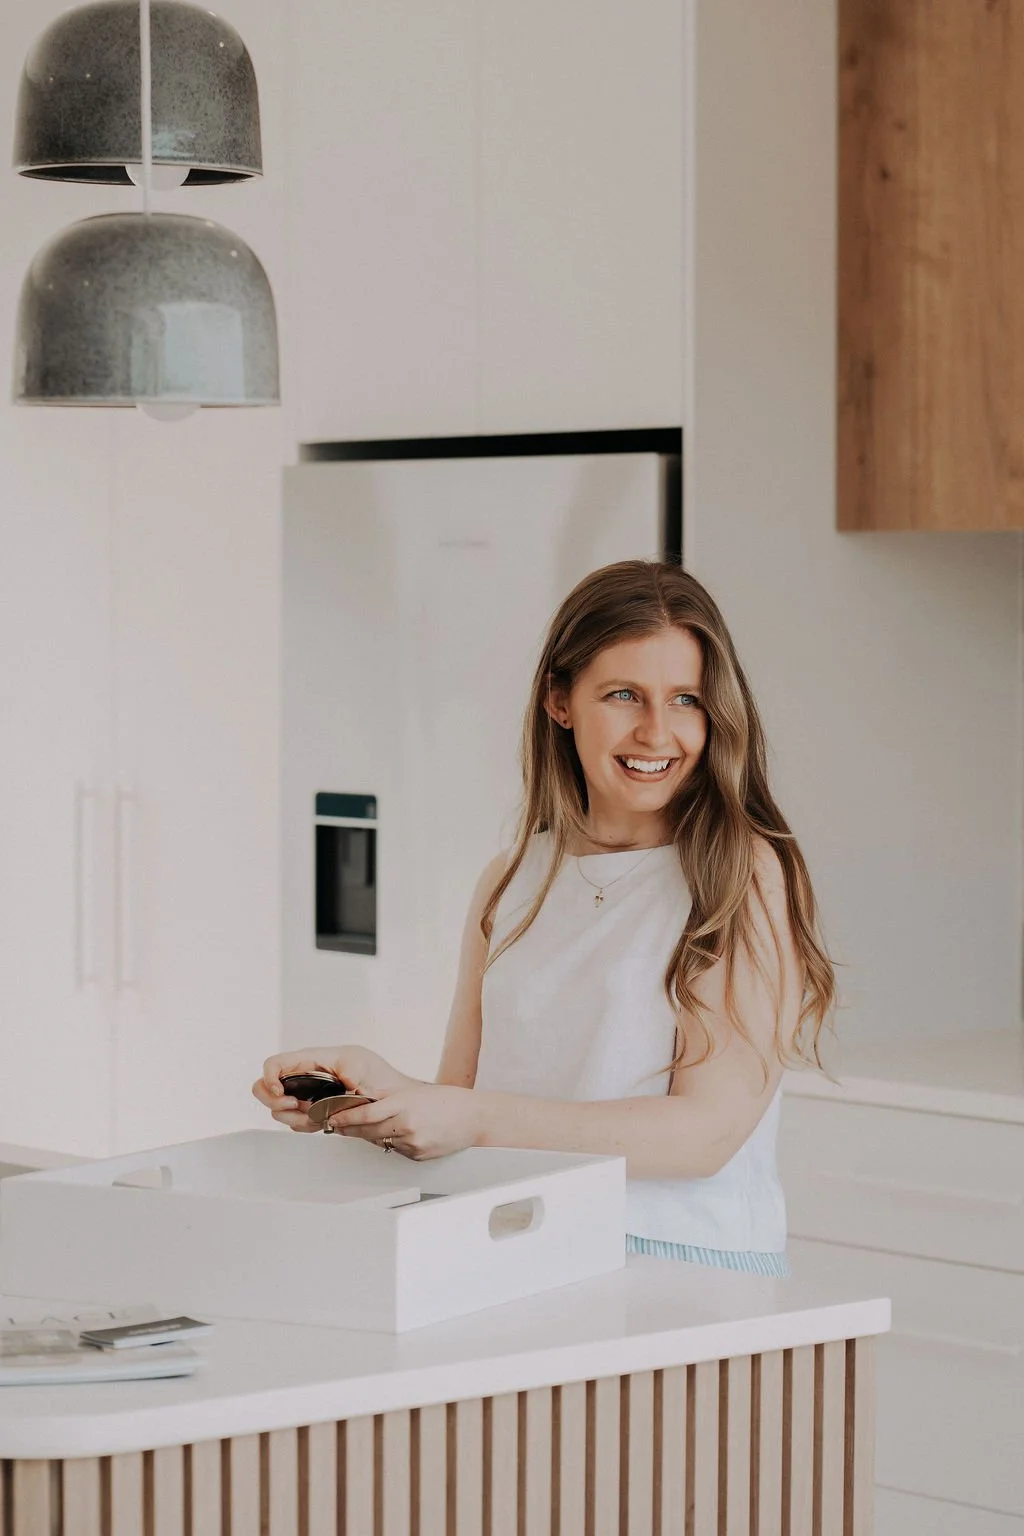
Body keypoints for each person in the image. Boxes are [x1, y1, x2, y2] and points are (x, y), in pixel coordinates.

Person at [254, 560, 836, 1275]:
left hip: (677, 1262)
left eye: (685, 699)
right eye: (624, 695)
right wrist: (376, 1098)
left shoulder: (739, 873)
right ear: (560, 702)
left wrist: (468, 1117)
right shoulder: (511, 880)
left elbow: (705, 1135)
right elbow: (462, 1107)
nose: (658, 732)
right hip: (510, 1243)